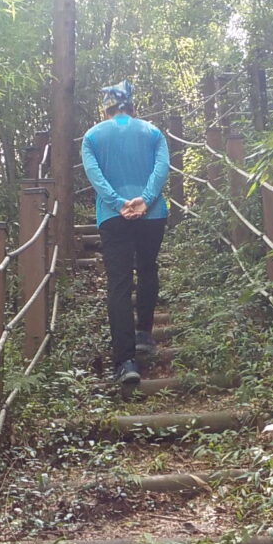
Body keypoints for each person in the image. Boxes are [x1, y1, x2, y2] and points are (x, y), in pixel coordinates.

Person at [81, 79, 169, 385]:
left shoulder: (92, 136)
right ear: (132, 106)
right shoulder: (153, 132)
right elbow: (162, 169)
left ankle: (126, 362)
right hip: (152, 213)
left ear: (108, 108)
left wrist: (118, 203)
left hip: (112, 216)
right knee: (147, 268)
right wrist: (144, 199)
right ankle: (144, 333)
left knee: (118, 283)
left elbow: (95, 174)